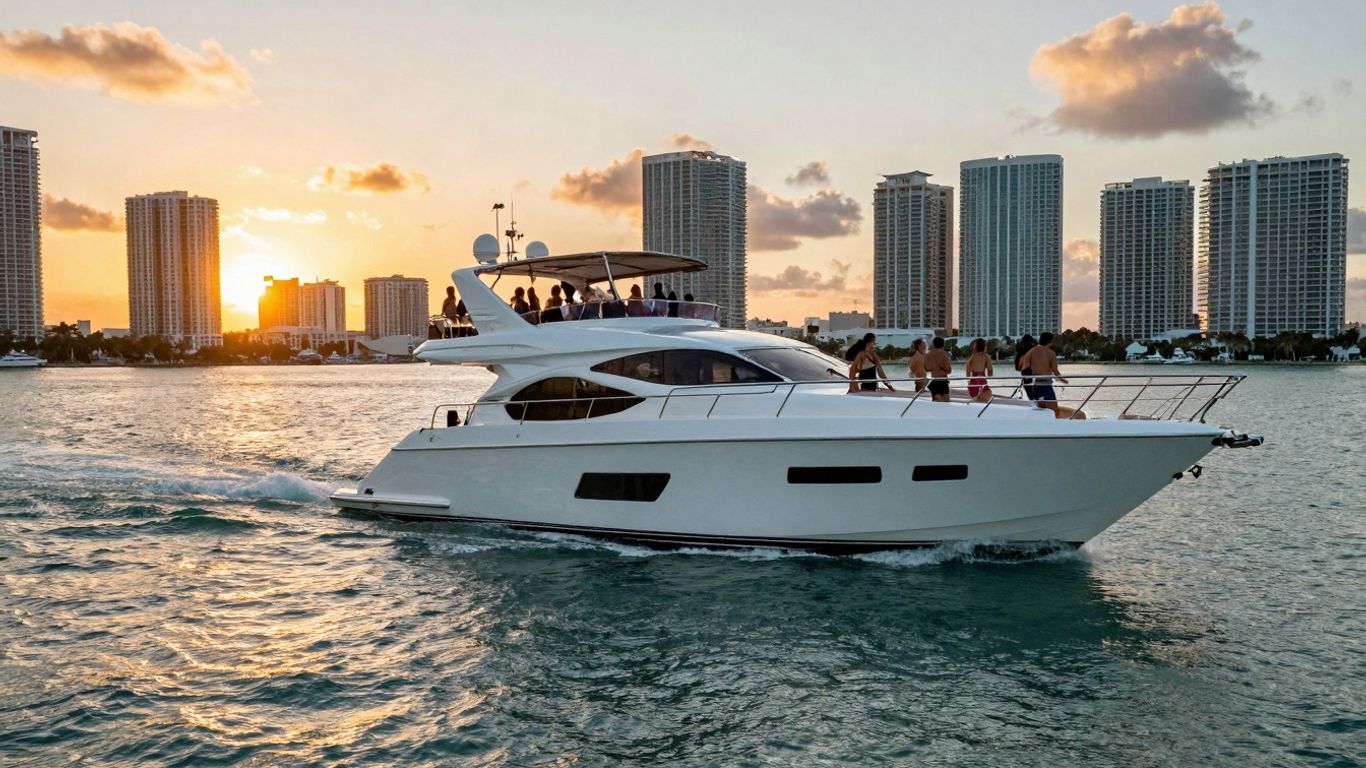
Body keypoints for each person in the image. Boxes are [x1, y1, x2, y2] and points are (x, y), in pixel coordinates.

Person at [1017, 332, 1085, 419]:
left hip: (1036, 385)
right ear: (1050, 342)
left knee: (1040, 408)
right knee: (1054, 410)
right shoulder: (1051, 353)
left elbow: (1023, 369)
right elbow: (1055, 371)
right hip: (1046, 385)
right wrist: (1063, 380)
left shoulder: (1030, 352)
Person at [924, 337, 952, 402]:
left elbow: (926, 368)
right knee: (945, 401)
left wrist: (935, 368)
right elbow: (949, 370)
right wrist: (942, 369)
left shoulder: (928, 354)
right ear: (943, 344)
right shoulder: (944, 354)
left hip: (934, 380)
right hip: (943, 380)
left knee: (936, 401)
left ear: (934, 344)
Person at [966, 338, 994, 402]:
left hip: (973, 384)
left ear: (975, 346)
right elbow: (990, 374)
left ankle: (977, 399)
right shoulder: (987, 357)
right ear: (984, 346)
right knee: (989, 392)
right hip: (982, 383)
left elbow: (967, 375)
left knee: (979, 397)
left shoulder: (971, 358)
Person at [1014, 334, 1038, 401]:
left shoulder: (1021, 352)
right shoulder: (1033, 351)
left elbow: (1018, 368)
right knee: (1035, 396)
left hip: (1026, 375)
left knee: (1031, 395)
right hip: (1035, 375)